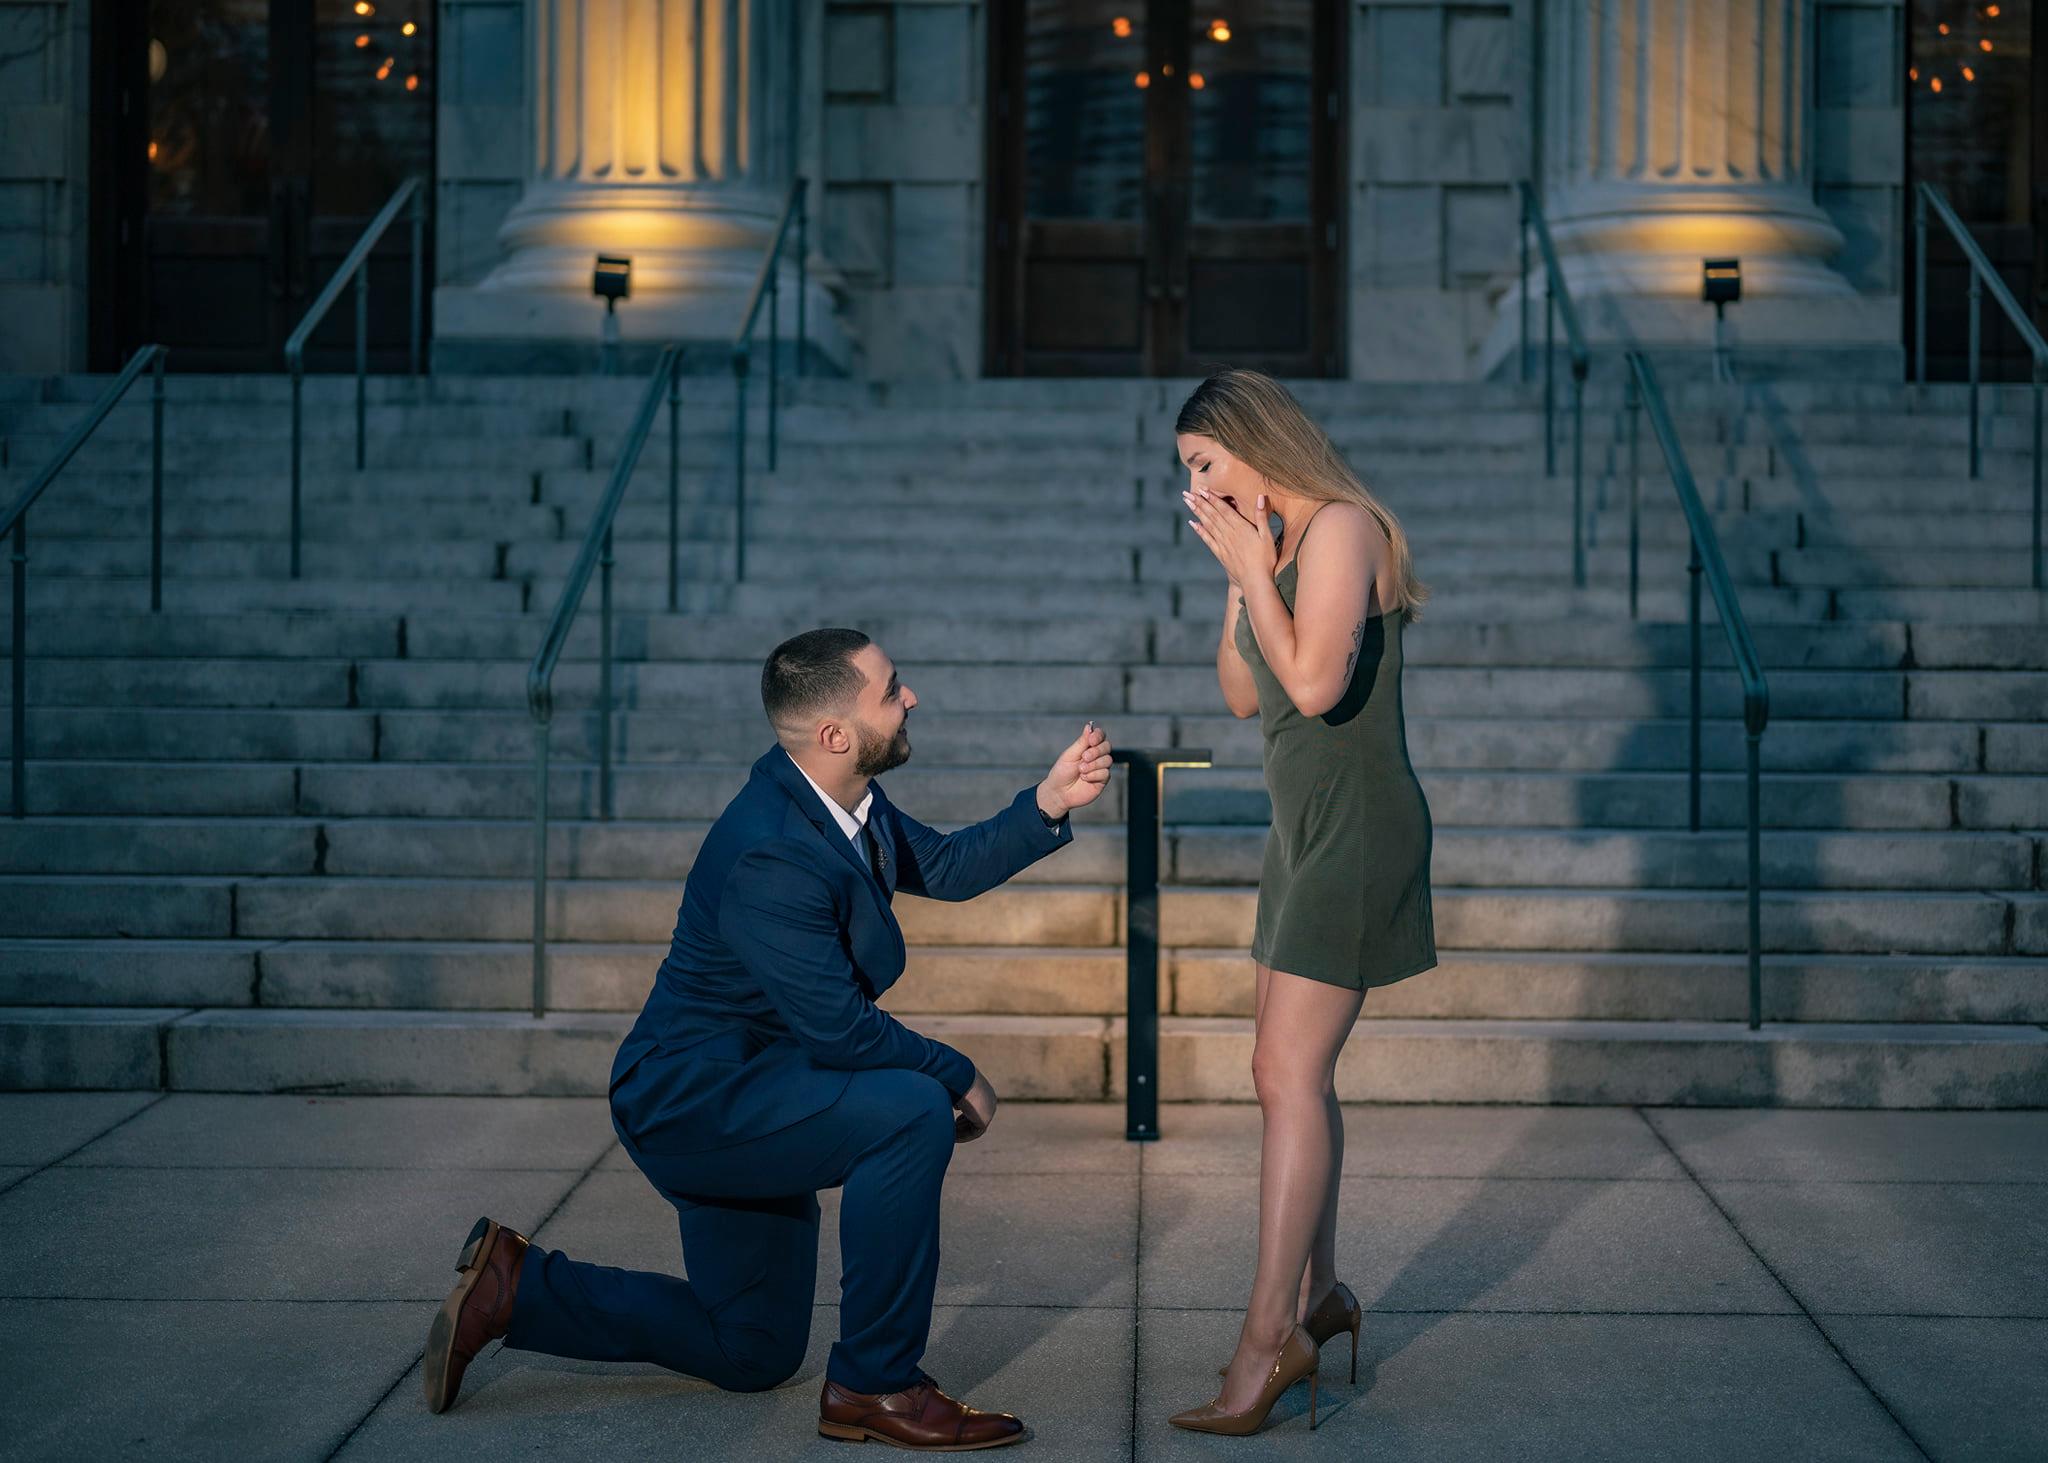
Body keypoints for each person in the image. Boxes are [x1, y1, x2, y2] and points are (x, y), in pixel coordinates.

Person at [423, 627, 1114, 1450]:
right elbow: (841, 1029)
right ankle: (877, 1383)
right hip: (694, 1099)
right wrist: (957, 1071)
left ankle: (516, 1286)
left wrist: (1047, 802)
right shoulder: (772, 849)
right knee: (909, 1110)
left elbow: (947, 865)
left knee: (752, 1348)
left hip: (762, 1085)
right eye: (891, 689)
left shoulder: (845, 803)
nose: (911, 697)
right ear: (834, 734)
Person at [1168, 368, 1436, 1437]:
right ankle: (1322, 1297)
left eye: (1203, 462)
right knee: (1282, 1073)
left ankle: (1267, 1336)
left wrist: (1256, 563)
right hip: (1300, 832)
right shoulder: (1275, 543)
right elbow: (1244, 694)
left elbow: (1318, 688)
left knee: (1287, 1074)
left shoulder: (1341, 528)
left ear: (1253, 440)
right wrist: (1239, 577)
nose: (1195, 486)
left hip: (1357, 826)